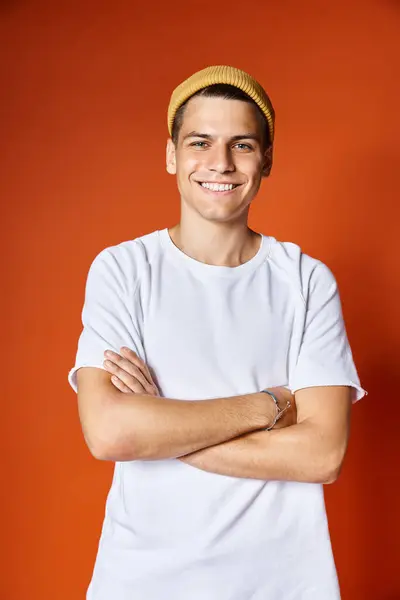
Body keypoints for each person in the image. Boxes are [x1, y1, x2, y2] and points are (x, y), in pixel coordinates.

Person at [68, 65, 367, 600]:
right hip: (142, 582)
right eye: (200, 141)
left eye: (243, 145)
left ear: (267, 159)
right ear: (171, 155)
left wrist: (163, 430)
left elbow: (322, 455)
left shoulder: (305, 280)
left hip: (283, 584)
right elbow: (111, 433)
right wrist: (270, 404)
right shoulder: (123, 270)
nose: (220, 163)